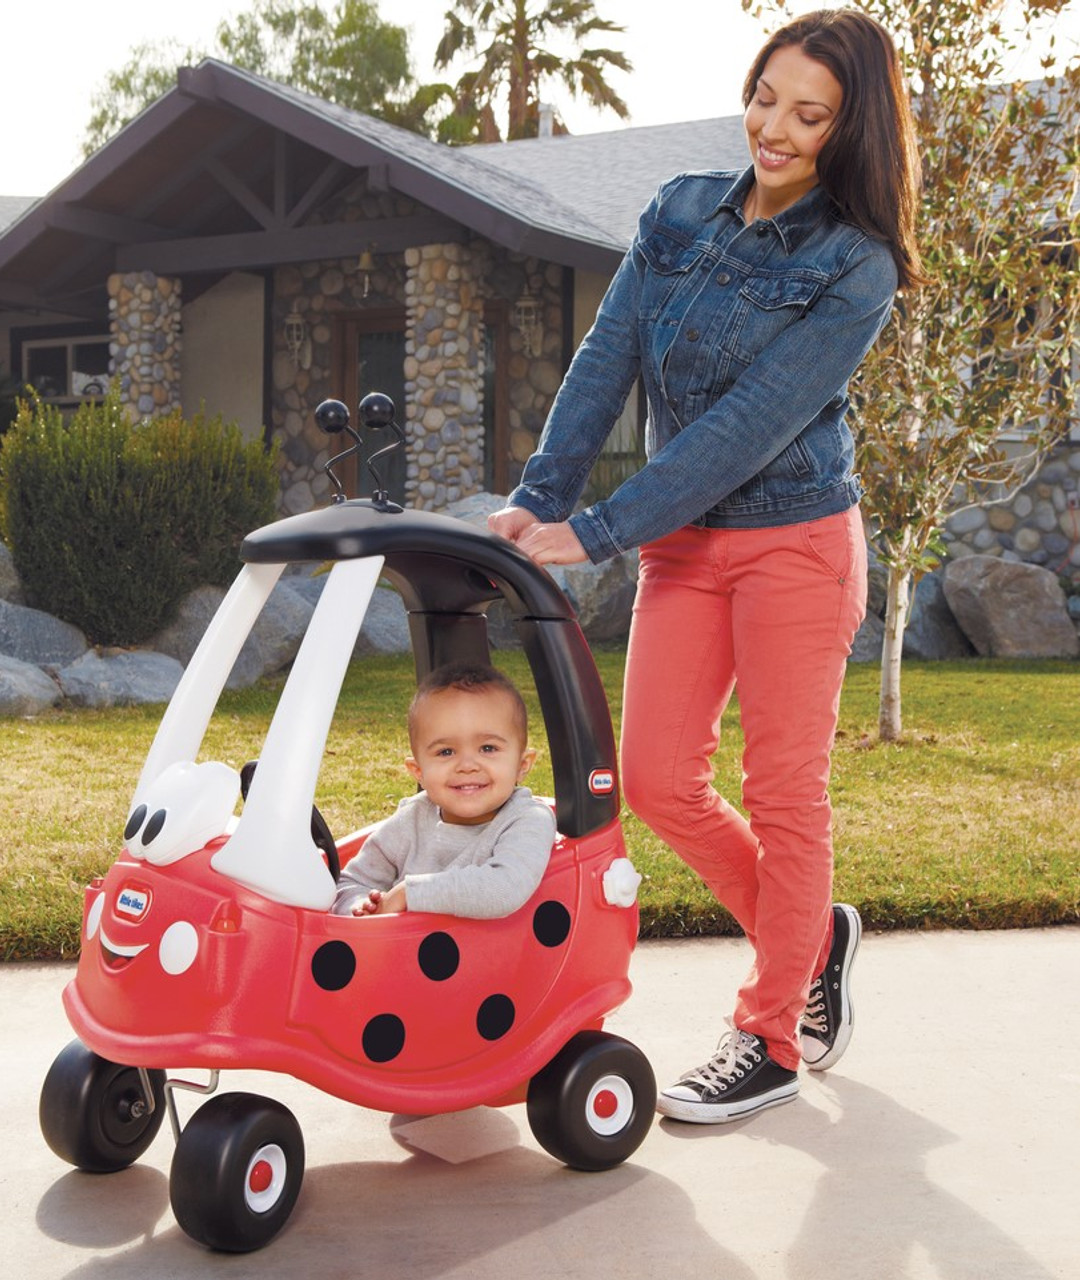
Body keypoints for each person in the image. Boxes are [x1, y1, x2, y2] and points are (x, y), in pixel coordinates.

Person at [488, 9, 922, 1123]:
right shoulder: (676, 210)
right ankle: (810, 933)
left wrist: (595, 531)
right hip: (687, 548)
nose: (772, 129)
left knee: (785, 798)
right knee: (656, 780)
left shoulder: (854, 267)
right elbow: (601, 364)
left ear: (846, 131)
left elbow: (744, 428)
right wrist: (537, 501)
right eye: (764, 97)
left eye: (807, 115)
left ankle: (767, 1032)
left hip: (793, 543)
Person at [331, 662, 556, 918]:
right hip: (399, 952)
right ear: (418, 772)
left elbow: (504, 888)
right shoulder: (411, 819)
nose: (467, 765)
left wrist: (407, 894)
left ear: (522, 765)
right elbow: (349, 883)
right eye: (446, 752)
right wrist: (361, 906)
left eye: (488, 748)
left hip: (504, 955)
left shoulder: (527, 820)